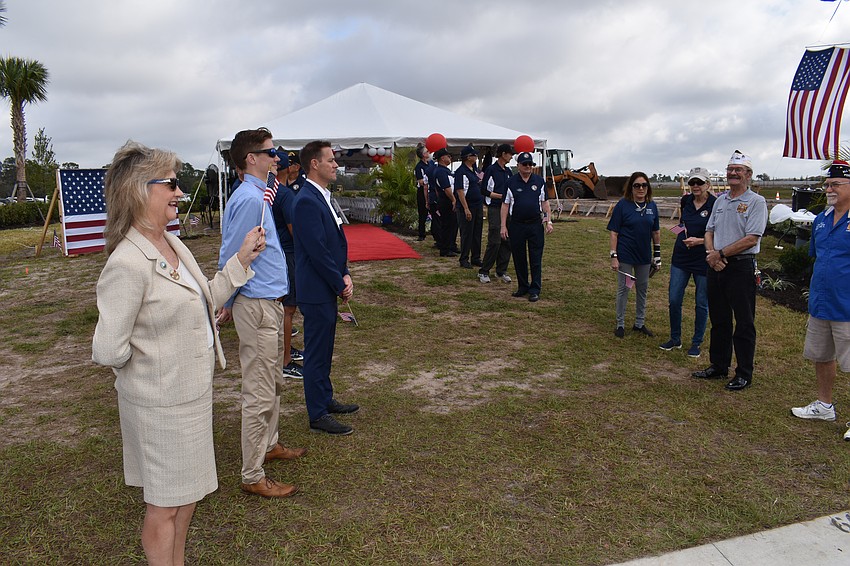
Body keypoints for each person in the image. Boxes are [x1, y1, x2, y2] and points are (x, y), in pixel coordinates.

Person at [92, 141, 265, 563]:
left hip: (192, 397)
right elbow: (108, 349)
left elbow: (205, 301)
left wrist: (241, 259)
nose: (180, 192)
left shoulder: (173, 243)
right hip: (159, 406)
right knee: (164, 507)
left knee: (186, 499)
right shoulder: (127, 263)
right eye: (170, 184)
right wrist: (154, 368)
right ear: (139, 190)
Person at [218, 128, 307, 499]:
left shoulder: (258, 195)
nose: (277, 158)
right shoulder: (247, 199)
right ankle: (252, 473)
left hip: (268, 302)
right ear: (250, 159)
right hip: (255, 304)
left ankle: (269, 444)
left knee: (272, 382)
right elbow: (231, 253)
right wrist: (225, 300)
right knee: (258, 390)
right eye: (270, 153)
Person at [292, 140, 359, 435]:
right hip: (316, 288)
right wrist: (338, 282)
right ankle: (317, 413)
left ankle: (324, 398)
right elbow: (317, 251)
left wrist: (344, 273)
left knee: (325, 348)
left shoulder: (321, 195)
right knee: (317, 352)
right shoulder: (306, 200)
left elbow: (334, 244)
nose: (335, 164)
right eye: (330, 160)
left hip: (325, 286)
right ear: (314, 164)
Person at [692, 150, 767, 391]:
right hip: (716, 264)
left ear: (748, 174)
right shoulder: (721, 201)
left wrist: (720, 254)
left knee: (744, 322)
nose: (733, 173)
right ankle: (718, 365)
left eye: (738, 170)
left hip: (740, 266)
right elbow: (709, 230)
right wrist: (711, 254)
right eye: (730, 169)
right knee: (719, 318)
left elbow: (752, 238)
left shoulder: (756, 202)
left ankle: (744, 373)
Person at [790, 160, 850, 433]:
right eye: (827, 184)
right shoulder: (822, 220)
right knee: (822, 356)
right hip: (822, 302)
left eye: (835, 184)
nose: (829, 189)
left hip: (847, 305)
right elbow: (816, 256)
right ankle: (824, 405)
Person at [660, 167, 716, 357]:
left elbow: (719, 233)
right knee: (674, 299)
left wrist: (699, 241)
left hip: (703, 258)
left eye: (699, 182)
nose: (695, 186)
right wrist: (679, 231)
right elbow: (683, 222)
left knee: (701, 302)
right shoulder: (685, 201)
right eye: (692, 182)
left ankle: (696, 343)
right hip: (681, 256)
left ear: (707, 184)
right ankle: (675, 338)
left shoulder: (715, 204)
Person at [608, 172, 661, 338]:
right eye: (637, 185)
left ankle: (639, 323)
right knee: (624, 289)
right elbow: (614, 232)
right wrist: (614, 256)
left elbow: (656, 232)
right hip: (625, 256)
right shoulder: (623, 205)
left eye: (644, 185)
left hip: (644, 257)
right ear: (631, 187)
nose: (641, 188)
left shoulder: (652, 206)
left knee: (642, 289)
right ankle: (620, 324)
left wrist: (657, 255)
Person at [500, 152, 553, 302]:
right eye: (525, 164)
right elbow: (505, 205)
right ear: (518, 166)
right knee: (519, 257)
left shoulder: (539, 181)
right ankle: (523, 286)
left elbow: (545, 203)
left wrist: (548, 221)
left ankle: (535, 289)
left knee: (535, 258)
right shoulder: (510, 182)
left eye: (530, 164)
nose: (528, 167)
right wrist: (503, 226)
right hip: (517, 225)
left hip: (535, 225)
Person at [271, 151, 304, 379]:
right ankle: (285, 360)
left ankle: (286, 350)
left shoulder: (267, 191)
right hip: (288, 253)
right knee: (288, 309)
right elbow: (295, 232)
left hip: (275, 253)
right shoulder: (284, 195)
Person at [479, 143, 514, 284]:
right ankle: (484, 271)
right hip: (495, 208)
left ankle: (501, 270)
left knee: (507, 240)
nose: (512, 157)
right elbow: (484, 190)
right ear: (503, 154)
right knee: (495, 240)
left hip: (508, 209)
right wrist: (500, 196)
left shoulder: (509, 171)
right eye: (510, 154)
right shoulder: (491, 170)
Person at [454, 144, 484, 269]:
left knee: (477, 232)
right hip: (468, 205)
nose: (476, 157)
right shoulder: (461, 172)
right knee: (467, 233)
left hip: (477, 204)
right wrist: (466, 208)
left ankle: (476, 257)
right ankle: (464, 258)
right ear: (467, 157)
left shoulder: (474, 170)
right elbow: (460, 191)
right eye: (473, 155)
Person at [433, 148, 458, 257]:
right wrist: (453, 199)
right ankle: (445, 249)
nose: (450, 158)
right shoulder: (440, 171)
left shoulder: (445, 170)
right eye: (448, 156)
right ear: (442, 158)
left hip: (447, 200)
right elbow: (446, 188)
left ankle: (451, 245)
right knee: (447, 225)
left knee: (453, 225)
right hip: (446, 201)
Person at [414, 144, 432, 241]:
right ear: (423, 155)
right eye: (426, 152)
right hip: (422, 191)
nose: (428, 153)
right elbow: (421, 181)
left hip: (431, 190)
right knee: (422, 213)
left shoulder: (430, 164)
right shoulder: (419, 167)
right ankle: (421, 233)